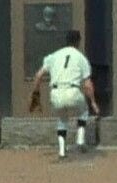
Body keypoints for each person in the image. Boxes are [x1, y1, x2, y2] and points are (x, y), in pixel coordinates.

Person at [32, 30, 100, 158]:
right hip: (73, 91)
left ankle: (62, 151)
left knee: (62, 119)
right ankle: (80, 140)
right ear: (78, 41)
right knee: (84, 111)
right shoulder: (81, 57)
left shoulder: (54, 56)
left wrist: (35, 95)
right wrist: (93, 102)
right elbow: (87, 85)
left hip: (56, 93)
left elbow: (38, 75)